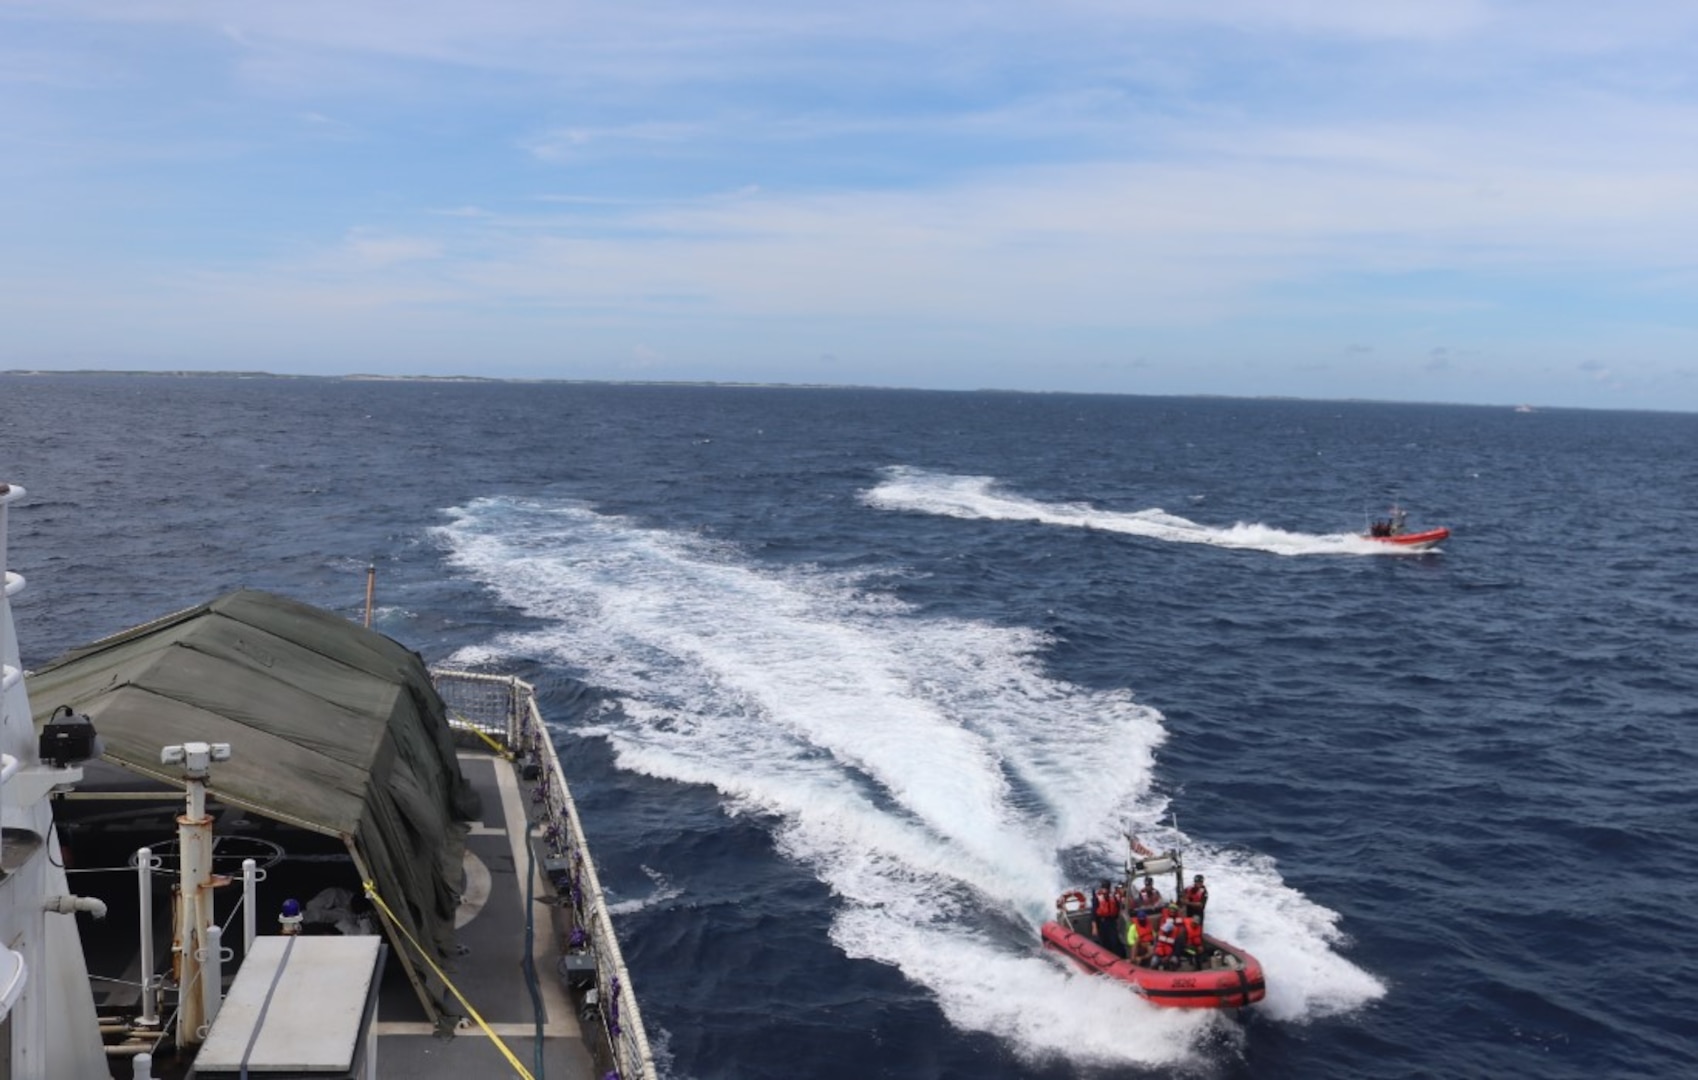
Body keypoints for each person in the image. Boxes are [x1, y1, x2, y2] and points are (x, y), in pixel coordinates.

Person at [1092, 883, 1125, 958]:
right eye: (1104, 888)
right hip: (1102, 922)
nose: (1105, 890)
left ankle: (1119, 958)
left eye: (1107, 888)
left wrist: (1117, 920)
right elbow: (1094, 913)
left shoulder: (1113, 897)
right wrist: (1094, 927)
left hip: (1111, 922)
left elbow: (1117, 908)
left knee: (1115, 941)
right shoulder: (1097, 898)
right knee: (1104, 942)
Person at [1153, 906, 1179, 970]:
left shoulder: (1175, 937)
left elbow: (1176, 949)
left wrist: (1168, 956)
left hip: (1170, 955)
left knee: (1175, 961)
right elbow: (1155, 945)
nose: (1164, 931)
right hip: (1159, 955)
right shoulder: (1160, 934)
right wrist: (1159, 955)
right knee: (1153, 962)